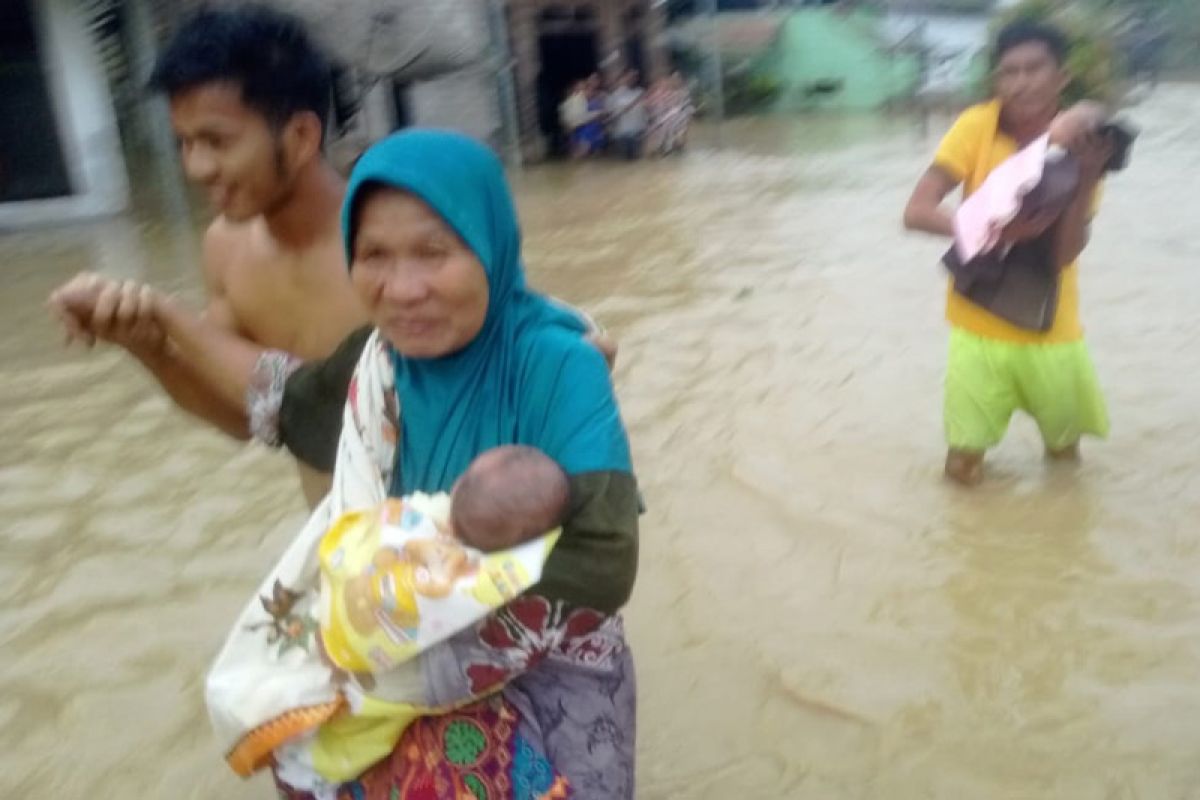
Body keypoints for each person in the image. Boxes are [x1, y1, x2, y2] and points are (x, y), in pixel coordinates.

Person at [203, 129, 639, 799]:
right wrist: (154, 328)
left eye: (434, 252)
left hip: (545, 674)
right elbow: (283, 411)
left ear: (490, 247)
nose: (403, 289)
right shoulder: (374, 364)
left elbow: (605, 562)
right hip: (386, 649)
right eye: (373, 255)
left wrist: (416, 619)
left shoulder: (559, 363)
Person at [48, 5, 617, 507]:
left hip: (459, 563)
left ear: (298, 137)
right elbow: (251, 419)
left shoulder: (395, 260)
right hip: (345, 559)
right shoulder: (225, 247)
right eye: (184, 143)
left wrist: (566, 371)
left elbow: (346, 415)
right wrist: (150, 347)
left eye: (216, 142)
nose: (196, 168)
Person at [903, 21, 1116, 486]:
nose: (1020, 82)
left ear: (1061, 76)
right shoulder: (976, 125)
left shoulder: (1085, 139)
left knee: (1064, 462)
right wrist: (997, 231)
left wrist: (1086, 178)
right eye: (1009, 72)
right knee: (962, 469)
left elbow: (1064, 255)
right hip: (976, 326)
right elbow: (916, 211)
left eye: (1034, 69)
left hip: (1053, 330)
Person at [607, 70, 649, 161]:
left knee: (638, 157)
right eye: (629, 77)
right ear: (623, 79)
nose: (631, 79)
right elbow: (614, 113)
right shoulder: (615, 95)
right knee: (627, 158)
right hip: (623, 133)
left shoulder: (641, 92)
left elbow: (647, 110)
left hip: (639, 131)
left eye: (634, 77)